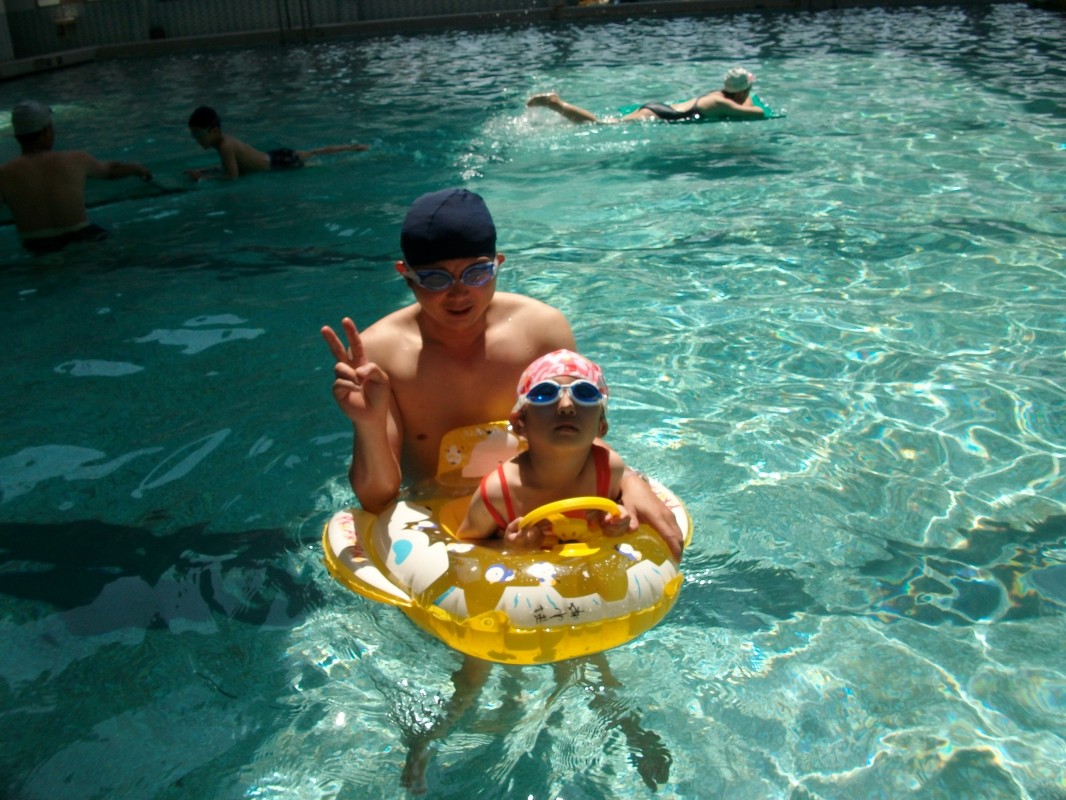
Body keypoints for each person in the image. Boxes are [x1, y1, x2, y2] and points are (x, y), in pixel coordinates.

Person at [320, 187, 683, 560]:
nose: (459, 293)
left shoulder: (540, 329)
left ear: (498, 265)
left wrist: (630, 481)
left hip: (535, 501)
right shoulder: (380, 354)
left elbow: (577, 425)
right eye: (436, 279)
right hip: (437, 518)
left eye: (476, 273)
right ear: (406, 275)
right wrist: (368, 423)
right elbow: (377, 499)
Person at [458, 349, 632, 549]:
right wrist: (508, 547)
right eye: (545, 394)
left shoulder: (609, 470)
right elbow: (464, 545)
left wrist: (618, 519)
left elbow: (622, 512)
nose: (566, 405)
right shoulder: (498, 493)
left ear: (601, 425)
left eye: (585, 394)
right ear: (520, 423)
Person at [0, 100, 153, 254]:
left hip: (38, 246)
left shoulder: (4, 174)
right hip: (83, 236)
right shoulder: (76, 159)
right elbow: (111, 171)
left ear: (17, 136)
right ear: (47, 132)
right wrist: (138, 168)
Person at [527, 66, 768, 124]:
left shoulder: (719, 95)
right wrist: (748, 96)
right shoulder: (721, 102)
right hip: (658, 115)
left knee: (607, 122)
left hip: (660, 109)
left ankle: (558, 109)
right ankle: (555, 103)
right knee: (602, 125)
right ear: (742, 91)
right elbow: (757, 113)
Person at [184, 105, 369, 180]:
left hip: (278, 164)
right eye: (193, 135)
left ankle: (358, 157)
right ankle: (354, 148)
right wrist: (203, 170)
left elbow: (232, 177)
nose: (196, 139)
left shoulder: (225, 146)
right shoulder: (225, 141)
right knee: (315, 152)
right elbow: (228, 166)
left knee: (321, 164)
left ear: (214, 130)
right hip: (274, 156)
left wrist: (203, 177)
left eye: (199, 134)